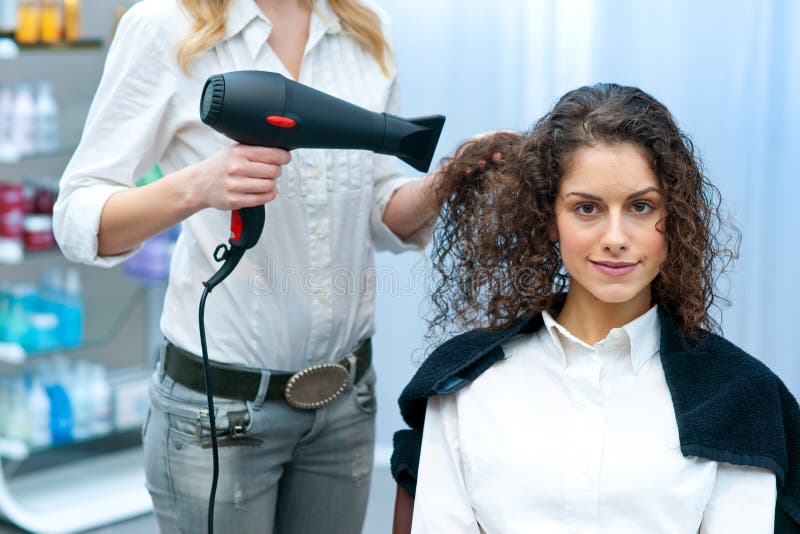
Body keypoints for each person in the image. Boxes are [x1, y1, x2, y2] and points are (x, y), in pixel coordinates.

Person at [53, 0, 443, 532]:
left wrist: (443, 186)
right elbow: (77, 217)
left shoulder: (365, 26)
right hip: (218, 419)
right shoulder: (166, 26)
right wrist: (198, 186)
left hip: (346, 404)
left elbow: (375, 205)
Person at [390, 83, 800, 533]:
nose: (616, 237)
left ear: (675, 216)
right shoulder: (464, 385)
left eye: (641, 207)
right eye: (587, 208)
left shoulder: (738, 396)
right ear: (549, 219)